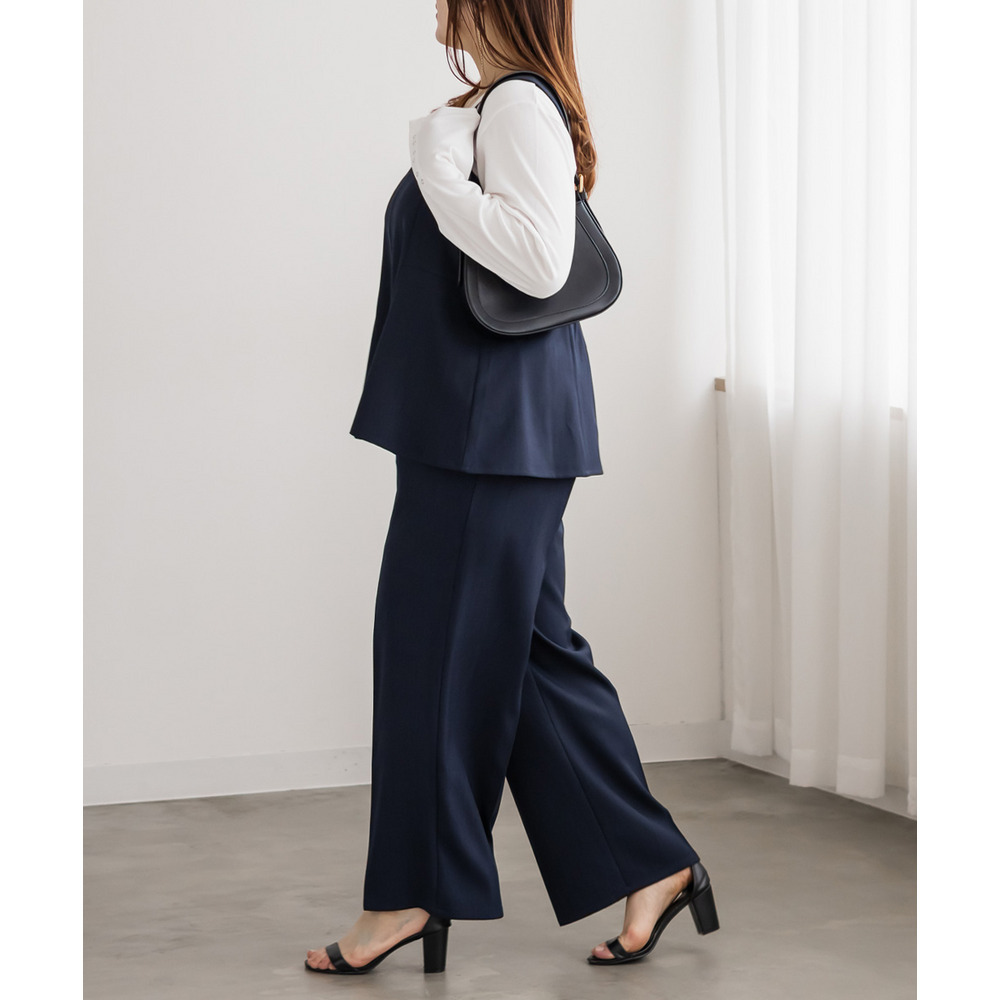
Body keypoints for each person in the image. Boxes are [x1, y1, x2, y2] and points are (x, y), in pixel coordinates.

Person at [305, 0, 719, 976]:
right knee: (527, 657)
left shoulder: (517, 109)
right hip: (484, 429)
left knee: (430, 654)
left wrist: (438, 167)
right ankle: (651, 862)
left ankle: (409, 893)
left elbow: (537, 261)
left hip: (488, 435)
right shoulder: (495, 107)